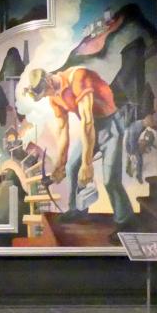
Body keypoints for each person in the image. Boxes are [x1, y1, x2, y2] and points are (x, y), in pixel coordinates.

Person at [23, 66, 133, 224]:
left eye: (45, 92)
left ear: (48, 81)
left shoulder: (78, 77)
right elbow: (62, 130)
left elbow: (87, 120)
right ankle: (77, 210)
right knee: (72, 167)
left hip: (110, 124)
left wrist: (87, 164)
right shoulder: (54, 98)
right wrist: (60, 166)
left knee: (110, 179)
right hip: (91, 128)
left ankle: (125, 219)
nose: (47, 96)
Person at [125, 112, 157, 184]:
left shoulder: (141, 124)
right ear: (147, 121)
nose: (149, 126)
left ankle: (130, 170)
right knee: (139, 160)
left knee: (134, 158)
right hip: (131, 145)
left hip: (133, 143)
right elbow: (131, 140)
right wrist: (133, 152)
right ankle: (138, 176)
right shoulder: (137, 127)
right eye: (149, 124)